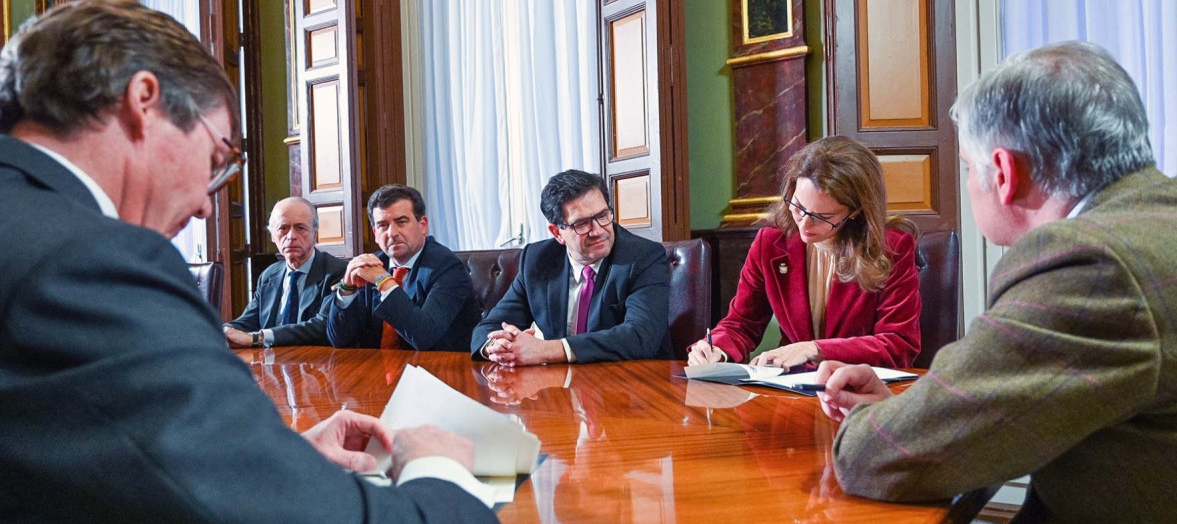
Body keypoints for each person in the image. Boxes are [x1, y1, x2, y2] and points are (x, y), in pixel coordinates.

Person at [0, 2, 496, 523]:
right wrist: (441, 473)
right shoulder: (94, 261)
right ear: (143, 101)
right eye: (214, 160)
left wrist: (268, 461)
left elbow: (59, 458)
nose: (206, 203)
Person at [813, 41, 1177, 524]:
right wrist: (915, 412)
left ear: (1003, 173)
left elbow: (873, 461)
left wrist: (872, 425)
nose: (967, 181)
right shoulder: (1155, 223)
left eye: (967, 167)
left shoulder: (1089, 266)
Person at [687, 136, 921, 369]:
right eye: (798, 207)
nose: (804, 226)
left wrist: (815, 349)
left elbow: (898, 344)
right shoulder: (770, 242)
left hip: (861, 392)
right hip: (793, 389)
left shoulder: (891, 247)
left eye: (823, 217)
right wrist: (717, 350)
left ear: (855, 211)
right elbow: (741, 324)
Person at [471, 169, 671, 365]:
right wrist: (498, 347)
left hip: (632, 384)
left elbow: (641, 336)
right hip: (562, 385)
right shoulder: (537, 259)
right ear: (557, 232)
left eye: (603, 216)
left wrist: (547, 350)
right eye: (582, 224)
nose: (598, 231)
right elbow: (489, 326)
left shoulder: (643, 257)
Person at [326, 184, 481, 350]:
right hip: (377, 371)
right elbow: (339, 340)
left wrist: (384, 281)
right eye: (383, 225)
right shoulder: (372, 265)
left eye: (401, 222)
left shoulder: (448, 267)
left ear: (422, 225)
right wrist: (347, 289)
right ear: (375, 233)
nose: (392, 233)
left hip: (438, 370)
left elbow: (424, 335)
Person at [223, 197, 347, 348]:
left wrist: (259, 338)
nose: (291, 236)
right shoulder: (269, 275)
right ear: (272, 236)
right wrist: (221, 331)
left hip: (316, 365)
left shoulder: (337, 272)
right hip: (271, 364)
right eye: (283, 228)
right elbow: (249, 321)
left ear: (315, 234)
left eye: (300, 228)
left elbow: (322, 326)